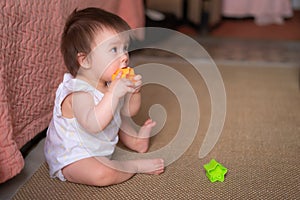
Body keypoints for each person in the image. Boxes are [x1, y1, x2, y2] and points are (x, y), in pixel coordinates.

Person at [44, 7, 164, 187]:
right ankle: (133, 166)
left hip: (101, 146)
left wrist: (134, 92)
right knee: (102, 174)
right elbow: (93, 124)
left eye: (125, 48)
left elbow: (128, 111)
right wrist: (113, 94)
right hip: (74, 156)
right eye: (114, 50)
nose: (124, 57)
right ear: (85, 60)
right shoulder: (78, 93)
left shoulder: (109, 83)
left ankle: (137, 142)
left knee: (118, 114)